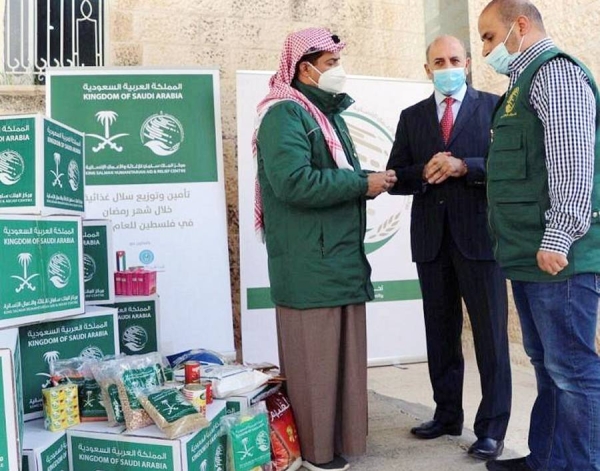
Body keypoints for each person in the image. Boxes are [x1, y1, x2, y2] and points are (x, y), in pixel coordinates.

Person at [252, 28, 397, 471]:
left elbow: (333, 174)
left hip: (337, 260)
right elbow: (293, 182)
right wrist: (360, 183)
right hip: (309, 265)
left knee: (344, 364)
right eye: (331, 63)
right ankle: (316, 453)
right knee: (314, 366)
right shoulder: (285, 115)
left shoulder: (324, 114)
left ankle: (341, 442)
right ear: (304, 68)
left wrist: (367, 182)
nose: (339, 71)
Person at [478, 1, 600, 470]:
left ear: (520, 26)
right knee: (548, 368)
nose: (487, 49)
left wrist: (559, 234)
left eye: (489, 37)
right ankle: (547, 460)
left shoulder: (556, 75)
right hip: (531, 254)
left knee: (573, 372)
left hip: (558, 255)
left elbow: (572, 163)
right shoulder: (521, 84)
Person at [386, 35, 511, 461]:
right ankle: (446, 414)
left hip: (480, 241)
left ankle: (492, 428)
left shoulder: (495, 107)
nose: (447, 65)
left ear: (469, 63)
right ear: (427, 69)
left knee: (491, 338)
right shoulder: (412, 116)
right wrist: (425, 170)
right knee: (440, 334)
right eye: (438, 61)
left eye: (454, 59)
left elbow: (509, 167)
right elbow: (395, 176)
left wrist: (464, 167)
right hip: (432, 241)